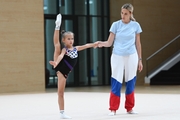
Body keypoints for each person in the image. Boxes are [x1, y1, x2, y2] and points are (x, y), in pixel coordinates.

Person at [97, 3, 143, 116]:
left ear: (130, 14)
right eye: (122, 13)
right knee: (116, 81)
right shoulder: (115, 25)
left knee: (131, 81)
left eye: (125, 14)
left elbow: (138, 44)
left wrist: (140, 60)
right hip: (117, 56)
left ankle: (130, 108)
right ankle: (113, 109)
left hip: (132, 56)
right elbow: (109, 43)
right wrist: (100, 44)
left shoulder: (136, 25)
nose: (123, 15)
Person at [50, 13, 98, 119]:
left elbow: (85, 45)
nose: (71, 40)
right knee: (57, 46)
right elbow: (61, 56)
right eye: (68, 39)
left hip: (65, 71)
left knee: (61, 92)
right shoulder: (64, 49)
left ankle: (57, 26)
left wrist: (94, 44)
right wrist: (56, 63)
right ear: (64, 40)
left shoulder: (76, 48)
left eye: (72, 38)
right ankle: (57, 26)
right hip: (61, 68)